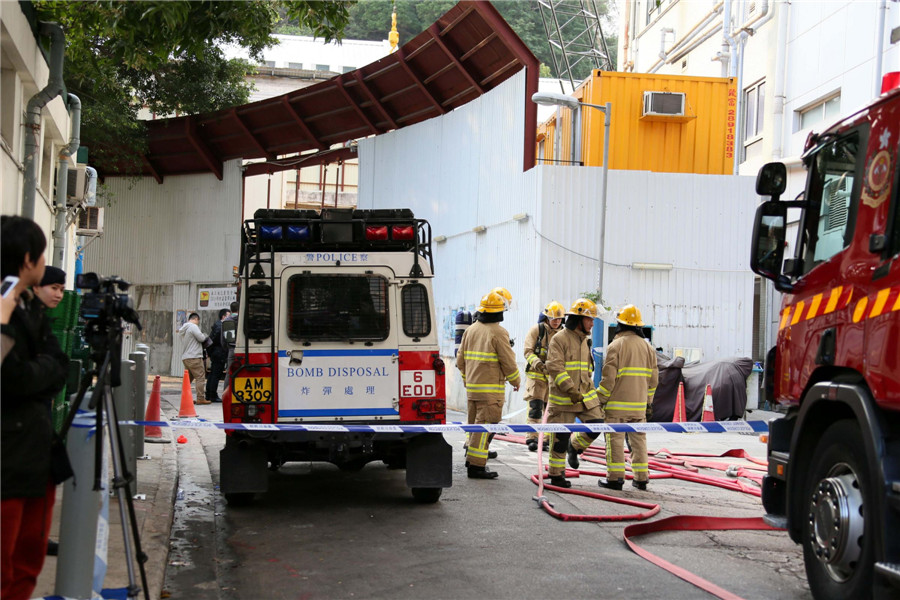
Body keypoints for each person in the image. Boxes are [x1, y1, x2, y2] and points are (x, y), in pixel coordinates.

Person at [1, 216, 72, 600]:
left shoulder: (30, 307)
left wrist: (39, 371)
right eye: (42, 255)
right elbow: (11, 379)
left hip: (36, 453)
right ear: (28, 260)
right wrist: (42, 370)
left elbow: (60, 366)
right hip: (8, 460)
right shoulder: (5, 306)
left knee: (28, 561)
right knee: (5, 564)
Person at [456, 289, 520, 479]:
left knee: (475, 426)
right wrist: (516, 380)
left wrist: (468, 381)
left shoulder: (471, 329)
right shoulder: (499, 333)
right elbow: (508, 361)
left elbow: (460, 360)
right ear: (499, 312)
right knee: (485, 427)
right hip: (491, 393)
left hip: (473, 390)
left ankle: (472, 458)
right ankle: (476, 466)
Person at [544, 298, 606, 488]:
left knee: (597, 425)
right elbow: (555, 367)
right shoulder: (560, 339)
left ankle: (575, 446)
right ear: (579, 319)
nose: (592, 323)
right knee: (559, 439)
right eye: (590, 319)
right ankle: (556, 475)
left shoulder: (584, 340)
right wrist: (571, 390)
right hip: (563, 398)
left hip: (585, 396)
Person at [596, 304, 658, 491]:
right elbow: (653, 380)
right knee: (638, 441)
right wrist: (648, 403)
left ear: (620, 324)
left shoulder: (616, 346)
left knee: (615, 441)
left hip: (616, 407)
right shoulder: (648, 348)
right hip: (639, 406)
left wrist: (600, 400)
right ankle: (641, 478)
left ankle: (615, 479)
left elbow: (608, 380)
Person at [522, 301, 565, 452]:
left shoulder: (563, 334)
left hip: (553, 379)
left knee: (550, 410)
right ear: (547, 317)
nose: (556, 321)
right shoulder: (537, 330)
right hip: (536, 377)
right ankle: (532, 438)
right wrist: (538, 363)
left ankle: (545, 439)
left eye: (559, 319)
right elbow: (528, 351)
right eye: (554, 318)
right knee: (535, 408)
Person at [178, 312, 210, 405]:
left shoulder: (183, 329)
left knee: (188, 380)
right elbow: (201, 338)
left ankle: (185, 398)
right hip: (194, 356)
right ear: (196, 319)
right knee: (200, 377)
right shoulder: (193, 326)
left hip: (186, 357)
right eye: (198, 321)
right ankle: (200, 398)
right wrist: (204, 335)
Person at [205, 308, 231, 402]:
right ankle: (212, 395)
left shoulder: (218, 325)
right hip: (219, 353)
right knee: (216, 374)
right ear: (223, 316)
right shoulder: (221, 326)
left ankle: (209, 394)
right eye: (228, 315)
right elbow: (216, 340)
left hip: (216, 352)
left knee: (213, 374)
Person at [221, 300, 239, 390]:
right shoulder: (243, 320)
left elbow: (223, 339)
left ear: (231, 310)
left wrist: (227, 348)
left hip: (231, 349)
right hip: (243, 349)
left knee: (229, 372)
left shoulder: (226, 321)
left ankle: (226, 392)